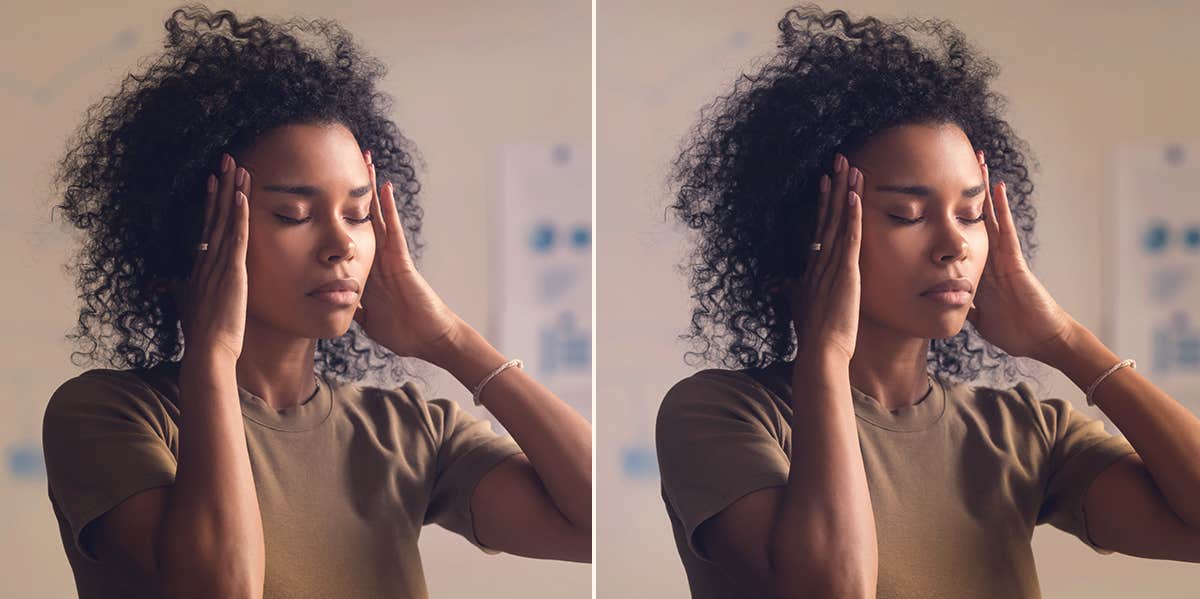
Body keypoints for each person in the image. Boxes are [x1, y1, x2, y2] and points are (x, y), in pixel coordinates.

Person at [41, 5, 591, 598]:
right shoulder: (109, 415)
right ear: (185, 236)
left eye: (358, 215)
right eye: (293, 215)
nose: (340, 246)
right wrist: (212, 356)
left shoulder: (405, 430)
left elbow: (592, 528)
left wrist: (450, 342)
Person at [655, 5, 1200, 598]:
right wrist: (825, 355)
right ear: (806, 235)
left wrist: (1066, 343)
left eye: (971, 214)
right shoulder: (721, 414)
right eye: (906, 215)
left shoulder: (1018, 431)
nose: (953, 246)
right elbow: (830, 589)